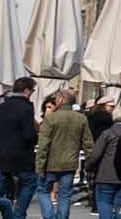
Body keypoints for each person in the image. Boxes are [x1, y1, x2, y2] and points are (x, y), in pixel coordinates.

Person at [33, 90, 89, 219]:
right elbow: (87, 143)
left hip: (49, 163)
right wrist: (89, 162)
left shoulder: (51, 118)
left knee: (43, 191)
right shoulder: (81, 118)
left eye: (57, 99)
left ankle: (49, 217)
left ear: (61, 100)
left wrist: (39, 165)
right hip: (70, 163)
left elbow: (43, 144)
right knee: (65, 195)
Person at [0, 80, 39, 219]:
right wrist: (35, 139)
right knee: (29, 183)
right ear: (27, 91)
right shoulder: (26, 108)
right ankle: (18, 215)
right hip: (22, 155)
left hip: (2, 153)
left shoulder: (0, 108)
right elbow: (29, 134)